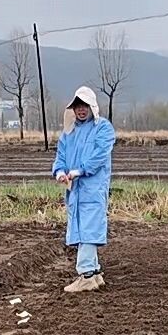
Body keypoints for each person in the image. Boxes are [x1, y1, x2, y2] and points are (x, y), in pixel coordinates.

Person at [52, 85, 114, 292]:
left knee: (89, 228)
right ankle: (95, 273)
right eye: (77, 105)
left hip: (92, 188)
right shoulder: (69, 133)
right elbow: (60, 157)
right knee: (81, 227)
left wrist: (80, 171)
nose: (81, 109)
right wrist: (60, 172)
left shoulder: (103, 128)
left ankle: (86, 274)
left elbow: (99, 156)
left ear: (92, 107)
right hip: (74, 191)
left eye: (84, 105)